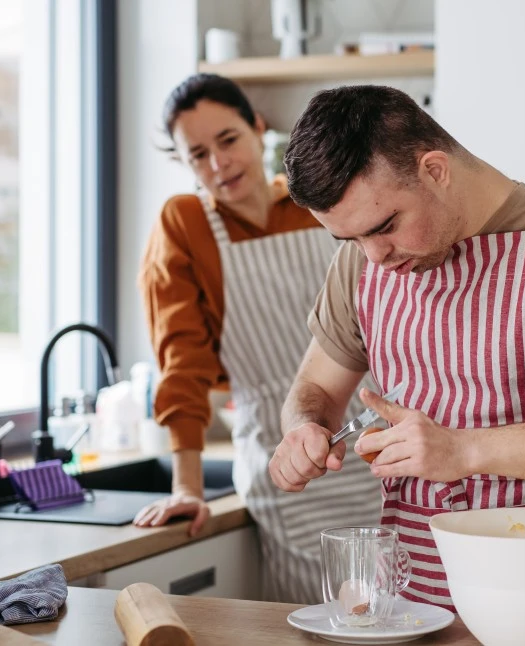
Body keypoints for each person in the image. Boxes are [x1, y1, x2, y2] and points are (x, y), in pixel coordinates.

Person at [269, 85, 525, 611]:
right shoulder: (364, 264)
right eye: (351, 240)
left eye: (385, 226)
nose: (374, 256)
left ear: (435, 170)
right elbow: (316, 389)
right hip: (413, 605)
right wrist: (304, 427)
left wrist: (464, 450)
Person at [134, 74, 382, 603]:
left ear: (257, 128)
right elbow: (182, 363)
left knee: (406, 613)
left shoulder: (317, 204)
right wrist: (187, 488)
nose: (218, 163)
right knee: (322, 621)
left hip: (376, 443)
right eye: (198, 154)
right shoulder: (185, 225)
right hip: (286, 465)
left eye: (227, 139)